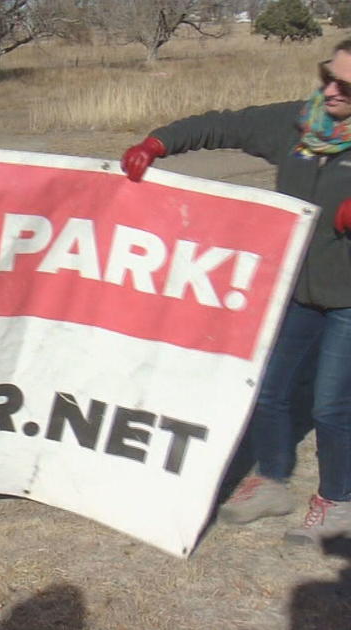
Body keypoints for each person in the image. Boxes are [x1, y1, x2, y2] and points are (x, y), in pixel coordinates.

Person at [121, 39, 351, 545]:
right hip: (292, 289)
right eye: (326, 76)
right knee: (266, 390)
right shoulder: (300, 124)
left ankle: (338, 501)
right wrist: (157, 143)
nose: (331, 89)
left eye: (345, 85)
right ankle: (272, 480)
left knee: (331, 406)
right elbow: (224, 123)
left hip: (348, 300)